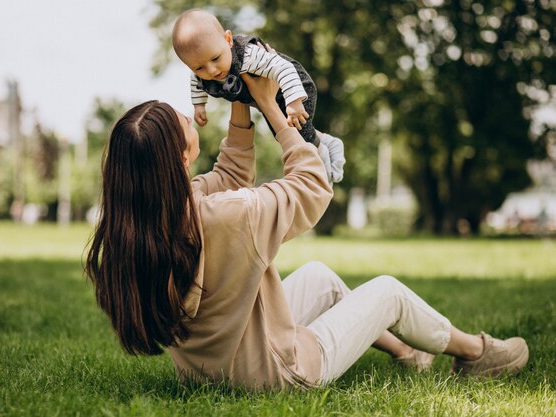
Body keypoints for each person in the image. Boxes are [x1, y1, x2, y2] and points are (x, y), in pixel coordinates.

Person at [85, 73, 529, 390]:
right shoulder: (225, 215)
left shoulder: (154, 218)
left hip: (213, 367)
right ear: (180, 158)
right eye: (181, 120)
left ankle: (408, 353)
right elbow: (312, 188)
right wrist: (277, 115)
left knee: (318, 276)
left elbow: (230, 175)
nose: (188, 115)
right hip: (276, 373)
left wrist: (242, 96)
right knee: (389, 292)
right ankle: (478, 354)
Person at [171, 9, 345, 184]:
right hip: (269, 98)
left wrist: (294, 101)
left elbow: (284, 68)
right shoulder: (200, 70)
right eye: (199, 68)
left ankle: (322, 164)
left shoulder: (249, 55)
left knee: (297, 133)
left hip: (294, 87)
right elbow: (196, 83)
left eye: (216, 59)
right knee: (282, 133)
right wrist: (199, 105)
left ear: (228, 39)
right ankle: (327, 141)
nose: (212, 70)